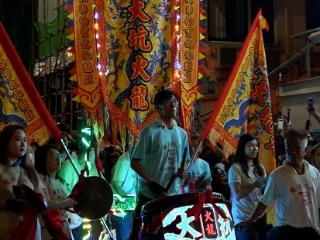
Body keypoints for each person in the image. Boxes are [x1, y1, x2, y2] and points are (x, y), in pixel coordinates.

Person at [130, 89, 190, 239]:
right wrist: (152, 183)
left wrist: (184, 172)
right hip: (150, 197)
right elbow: (134, 162)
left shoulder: (182, 134)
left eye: (175, 101)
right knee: (144, 235)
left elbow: (185, 160)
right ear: (158, 108)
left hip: (173, 196)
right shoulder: (149, 132)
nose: (173, 105)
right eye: (168, 102)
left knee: (173, 235)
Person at [245, 129, 320, 240]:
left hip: (310, 232)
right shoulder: (278, 175)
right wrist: (251, 220)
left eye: (297, 148)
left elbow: (318, 204)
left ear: (305, 150)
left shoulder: (314, 173)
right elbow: (265, 202)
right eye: (288, 148)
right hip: (287, 232)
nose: (292, 152)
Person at [0, 124, 45, 240]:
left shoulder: (30, 172)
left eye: (25, 140)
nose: (23, 144)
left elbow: (44, 201)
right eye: (18, 139)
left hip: (31, 230)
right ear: (6, 142)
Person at [228, 133, 267, 240]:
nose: (255, 149)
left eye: (256, 146)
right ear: (242, 147)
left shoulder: (260, 168)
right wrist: (255, 184)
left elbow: (263, 193)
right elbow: (237, 195)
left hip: (259, 215)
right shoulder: (235, 168)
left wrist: (267, 185)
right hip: (243, 219)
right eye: (250, 145)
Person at [34, 144, 76, 240]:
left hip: (64, 226)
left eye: (59, 156)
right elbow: (44, 204)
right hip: (48, 230)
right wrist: (65, 202)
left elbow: (68, 203)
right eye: (53, 156)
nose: (58, 159)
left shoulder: (61, 182)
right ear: (43, 158)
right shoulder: (39, 179)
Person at [110, 150, 137, 240]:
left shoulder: (137, 159)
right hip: (121, 210)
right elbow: (116, 185)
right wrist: (132, 202)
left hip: (130, 209)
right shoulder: (124, 161)